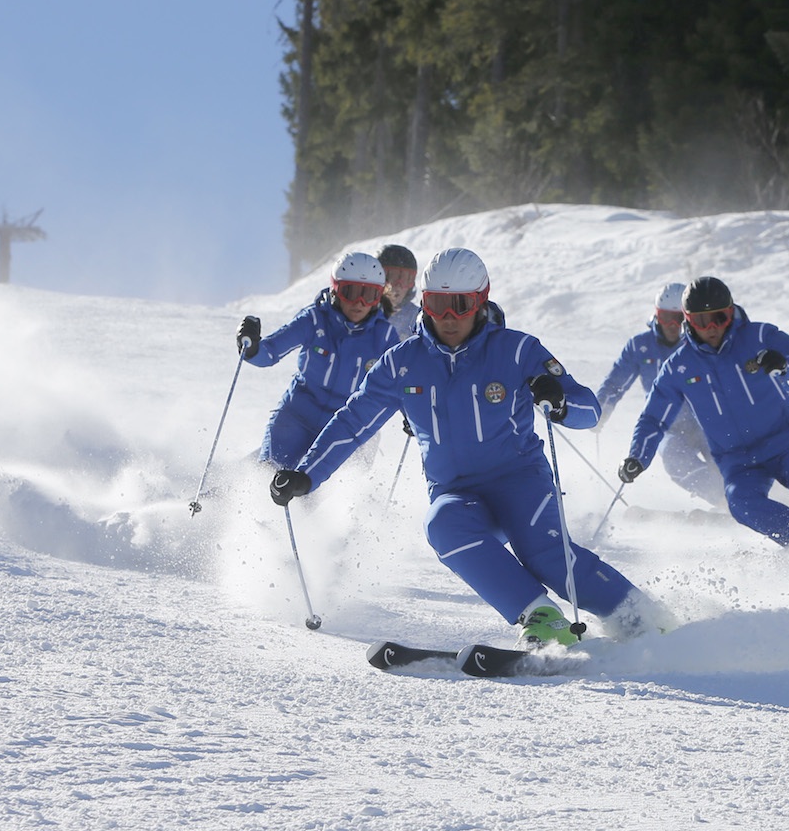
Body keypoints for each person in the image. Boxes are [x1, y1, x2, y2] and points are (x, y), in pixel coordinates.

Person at [268, 247, 662, 648]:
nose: (449, 317)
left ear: (481, 301)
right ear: (425, 302)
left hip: (520, 480)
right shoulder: (402, 362)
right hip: (455, 490)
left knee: (545, 554)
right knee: (442, 526)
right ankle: (540, 616)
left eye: (461, 305)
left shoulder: (516, 350)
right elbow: (354, 422)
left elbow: (589, 410)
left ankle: (642, 618)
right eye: (438, 304)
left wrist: (559, 401)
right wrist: (308, 473)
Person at [618, 276, 789, 544]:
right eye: (701, 321)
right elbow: (653, 418)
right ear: (688, 320)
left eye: (718, 318)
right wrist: (637, 457)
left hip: (785, 443)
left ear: (730, 312)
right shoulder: (679, 366)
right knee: (741, 504)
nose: (711, 328)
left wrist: (783, 364)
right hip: (737, 461)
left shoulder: (758, 337)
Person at [237, 252, 400, 470]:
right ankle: (215, 499)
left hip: (342, 428)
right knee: (267, 474)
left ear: (379, 297)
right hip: (295, 418)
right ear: (336, 289)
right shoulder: (315, 319)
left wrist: (412, 413)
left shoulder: (385, 336)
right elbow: (268, 353)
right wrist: (251, 348)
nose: (359, 303)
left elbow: (400, 382)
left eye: (368, 295)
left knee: (310, 493)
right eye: (350, 292)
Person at [595, 282, 722, 506]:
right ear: (656, 314)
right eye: (665, 318)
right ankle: (723, 501)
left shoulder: (700, 345)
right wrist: (598, 413)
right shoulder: (640, 346)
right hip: (667, 426)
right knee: (675, 457)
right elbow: (615, 384)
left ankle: (752, 496)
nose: (673, 326)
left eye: (679, 319)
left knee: (724, 455)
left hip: (705, 421)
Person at [377, 243, 421, 336]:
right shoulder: (363, 313)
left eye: (405, 279)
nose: (398, 286)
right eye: (392, 277)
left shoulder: (417, 319)